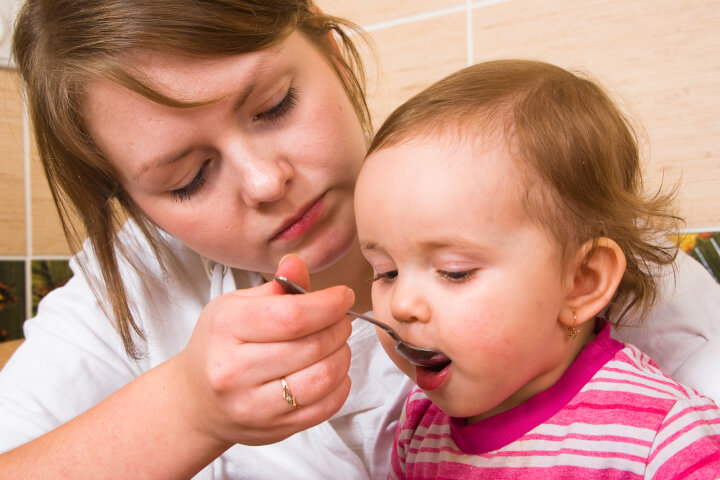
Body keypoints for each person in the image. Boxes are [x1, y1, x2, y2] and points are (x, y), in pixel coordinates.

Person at [0, 1, 717, 478]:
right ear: (137, 204)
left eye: (275, 105)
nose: (264, 182)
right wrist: (186, 409)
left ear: (335, 56)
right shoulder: (140, 276)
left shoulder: (574, 241)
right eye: (187, 178)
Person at [354, 59, 720, 479]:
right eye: (386, 272)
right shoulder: (420, 427)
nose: (400, 305)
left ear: (582, 282)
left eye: (455, 272)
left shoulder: (662, 439)